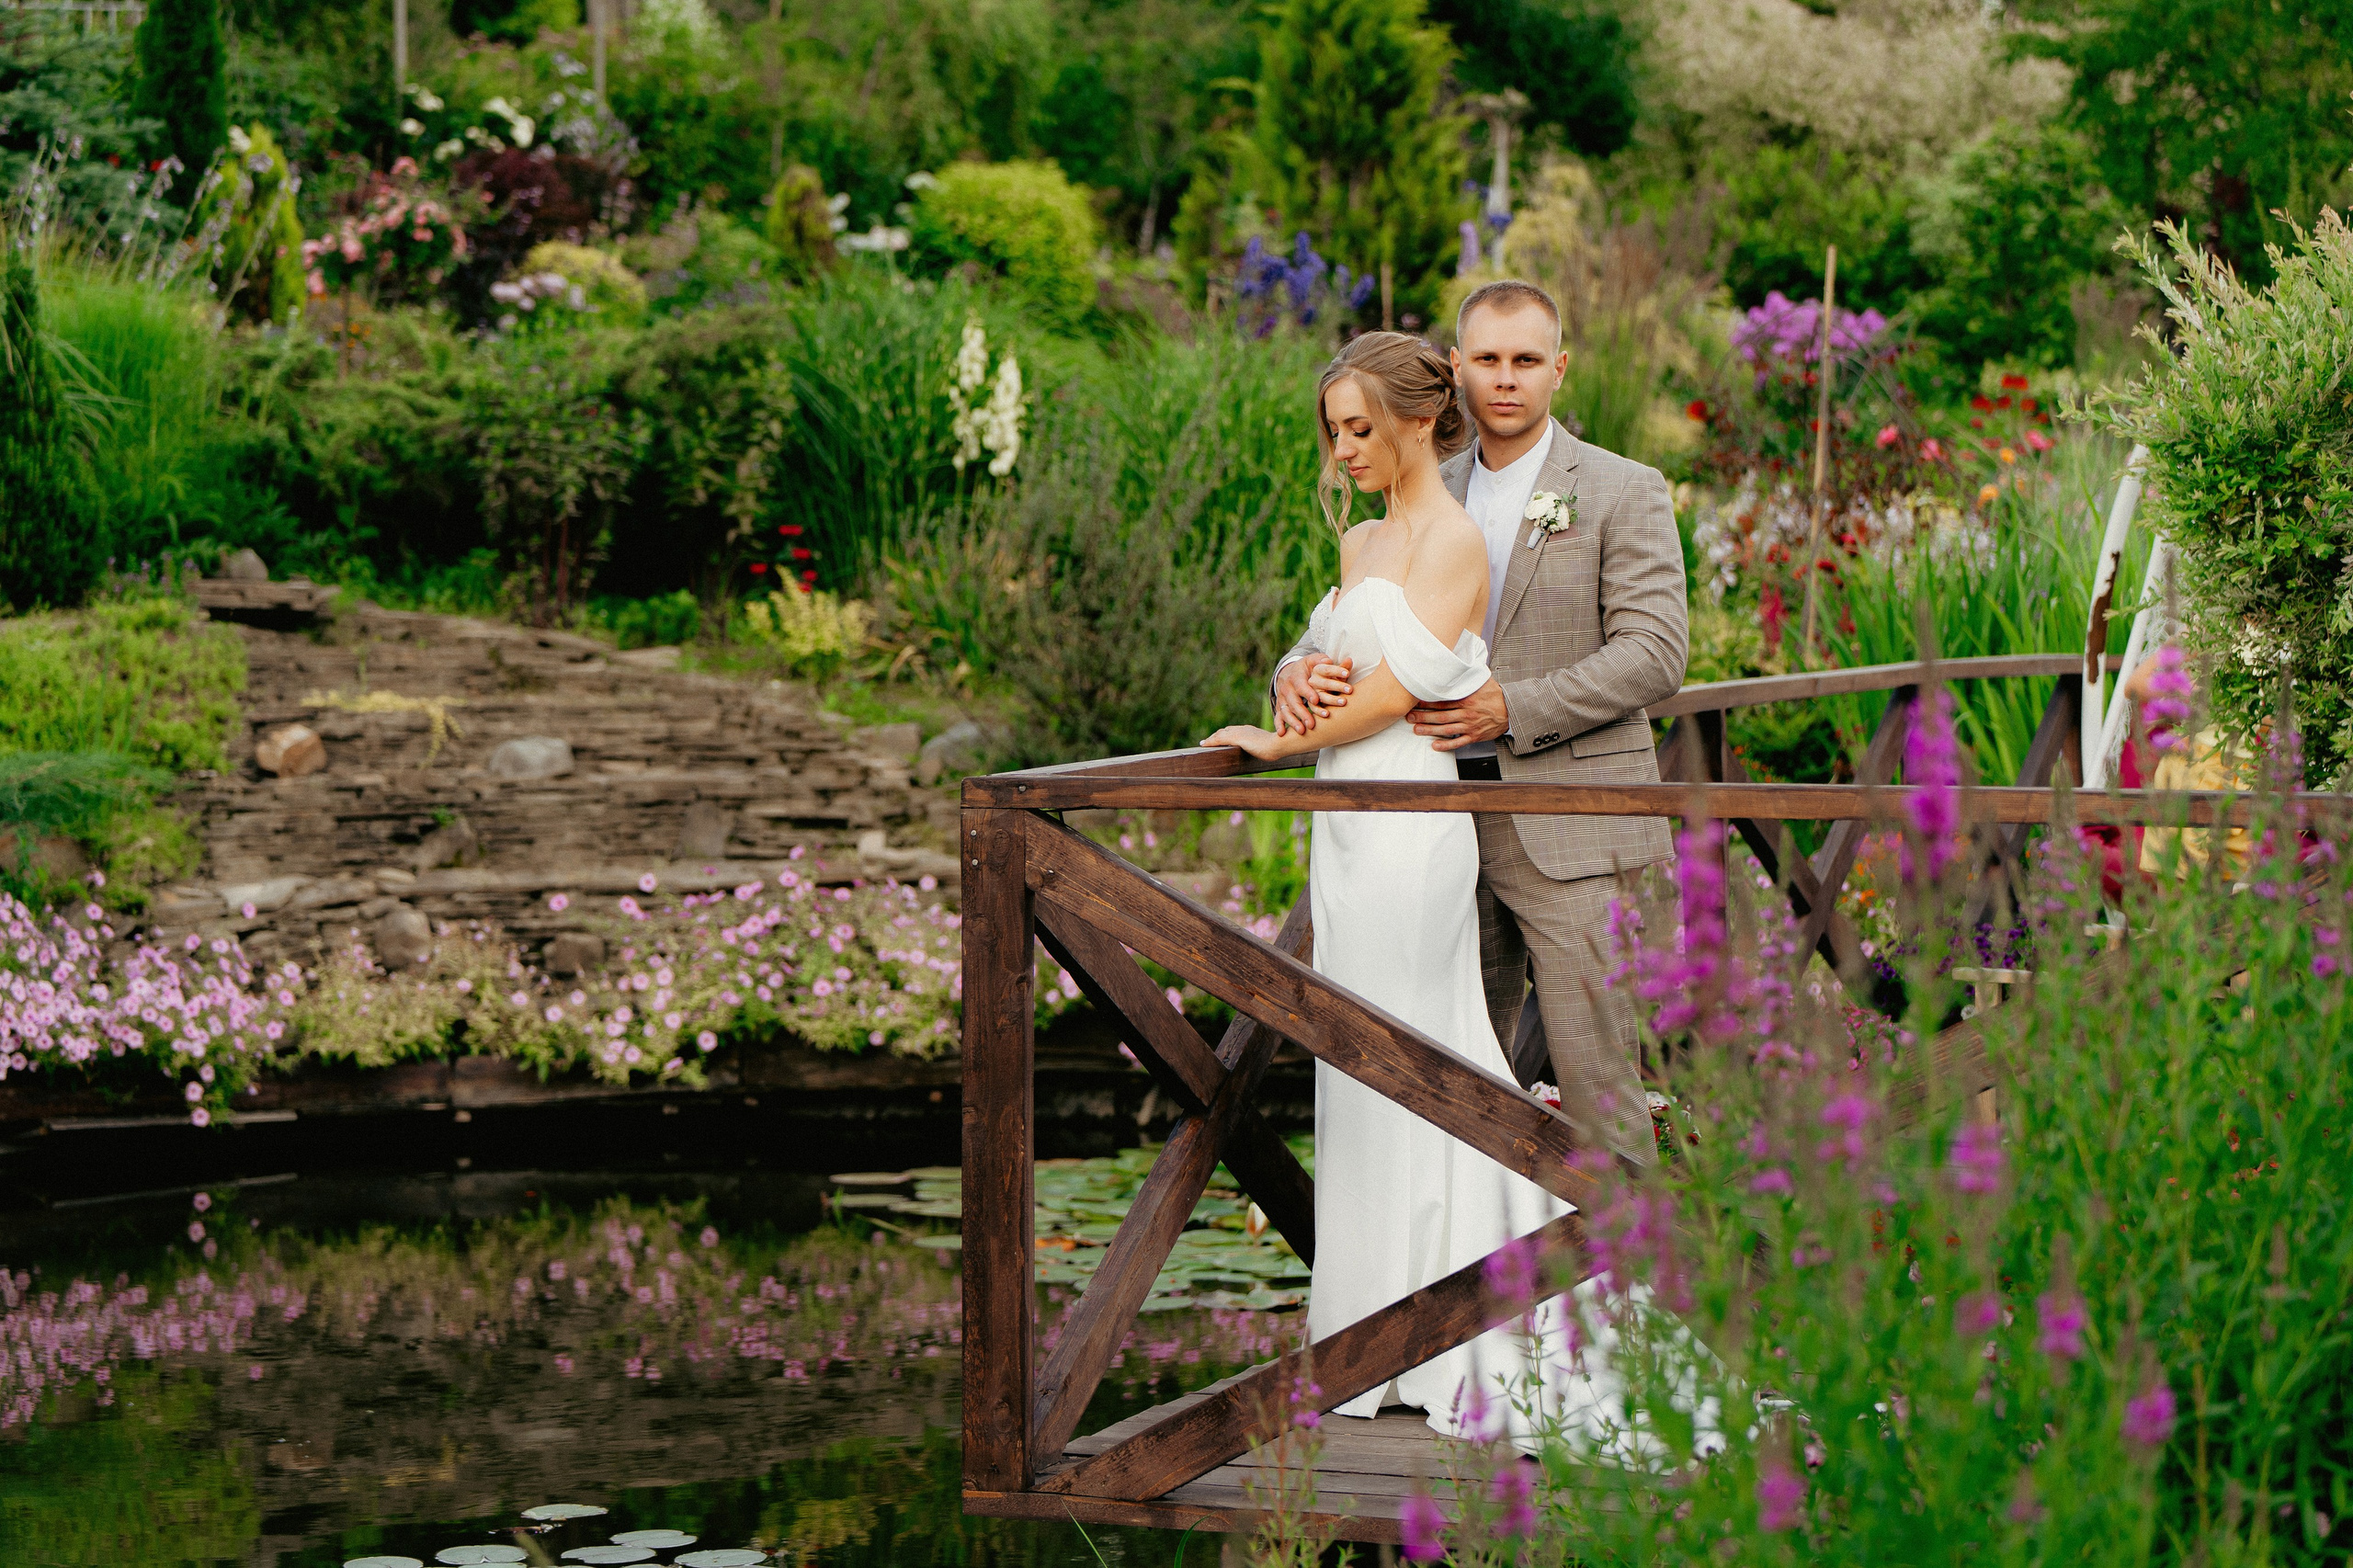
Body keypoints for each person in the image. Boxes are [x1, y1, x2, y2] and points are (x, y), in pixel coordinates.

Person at [1199, 332, 1604, 1447]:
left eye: (1360, 427)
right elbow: (1332, 656)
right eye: (1333, 429)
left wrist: (1281, 748)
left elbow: (1396, 691)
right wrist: (1293, 676)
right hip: (1347, 825)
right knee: (1351, 1057)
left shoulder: (1455, 537)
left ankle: (1467, 1318)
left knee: (1418, 1044)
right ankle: (1369, 1335)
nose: (1343, 448)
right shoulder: (1363, 537)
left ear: (1421, 419)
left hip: (1411, 820)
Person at [1270, 281, 1689, 1169]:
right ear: (1456, 369)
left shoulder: (1623, 489)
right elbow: (1351, 621)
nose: (1507, 380)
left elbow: (1655, 653)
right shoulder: (1416, 478)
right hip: (1436, 829)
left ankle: (1629, 1302)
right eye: (1489, 361)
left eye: (1527, 361)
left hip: (1572, 830)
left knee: (1604, 1089)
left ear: (1559, 370)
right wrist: (1293, 670)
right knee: (1460, 1091)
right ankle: (1493, 1304)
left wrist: (1516, 707)